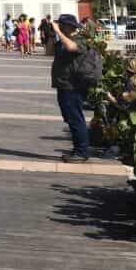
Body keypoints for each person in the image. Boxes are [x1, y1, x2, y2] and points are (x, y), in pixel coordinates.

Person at [51, 13, 90, 162]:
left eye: (61, 25)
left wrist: (58, 32)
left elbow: (72, 48)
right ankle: (77, 149)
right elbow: (50, 51)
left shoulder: (79, 40)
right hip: (64, 85)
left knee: (76, 118)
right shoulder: (64, 40)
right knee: (70, 118)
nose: (59, 27)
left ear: (67, 26)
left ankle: (82, 152)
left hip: (73, 86)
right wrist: (52, 36)